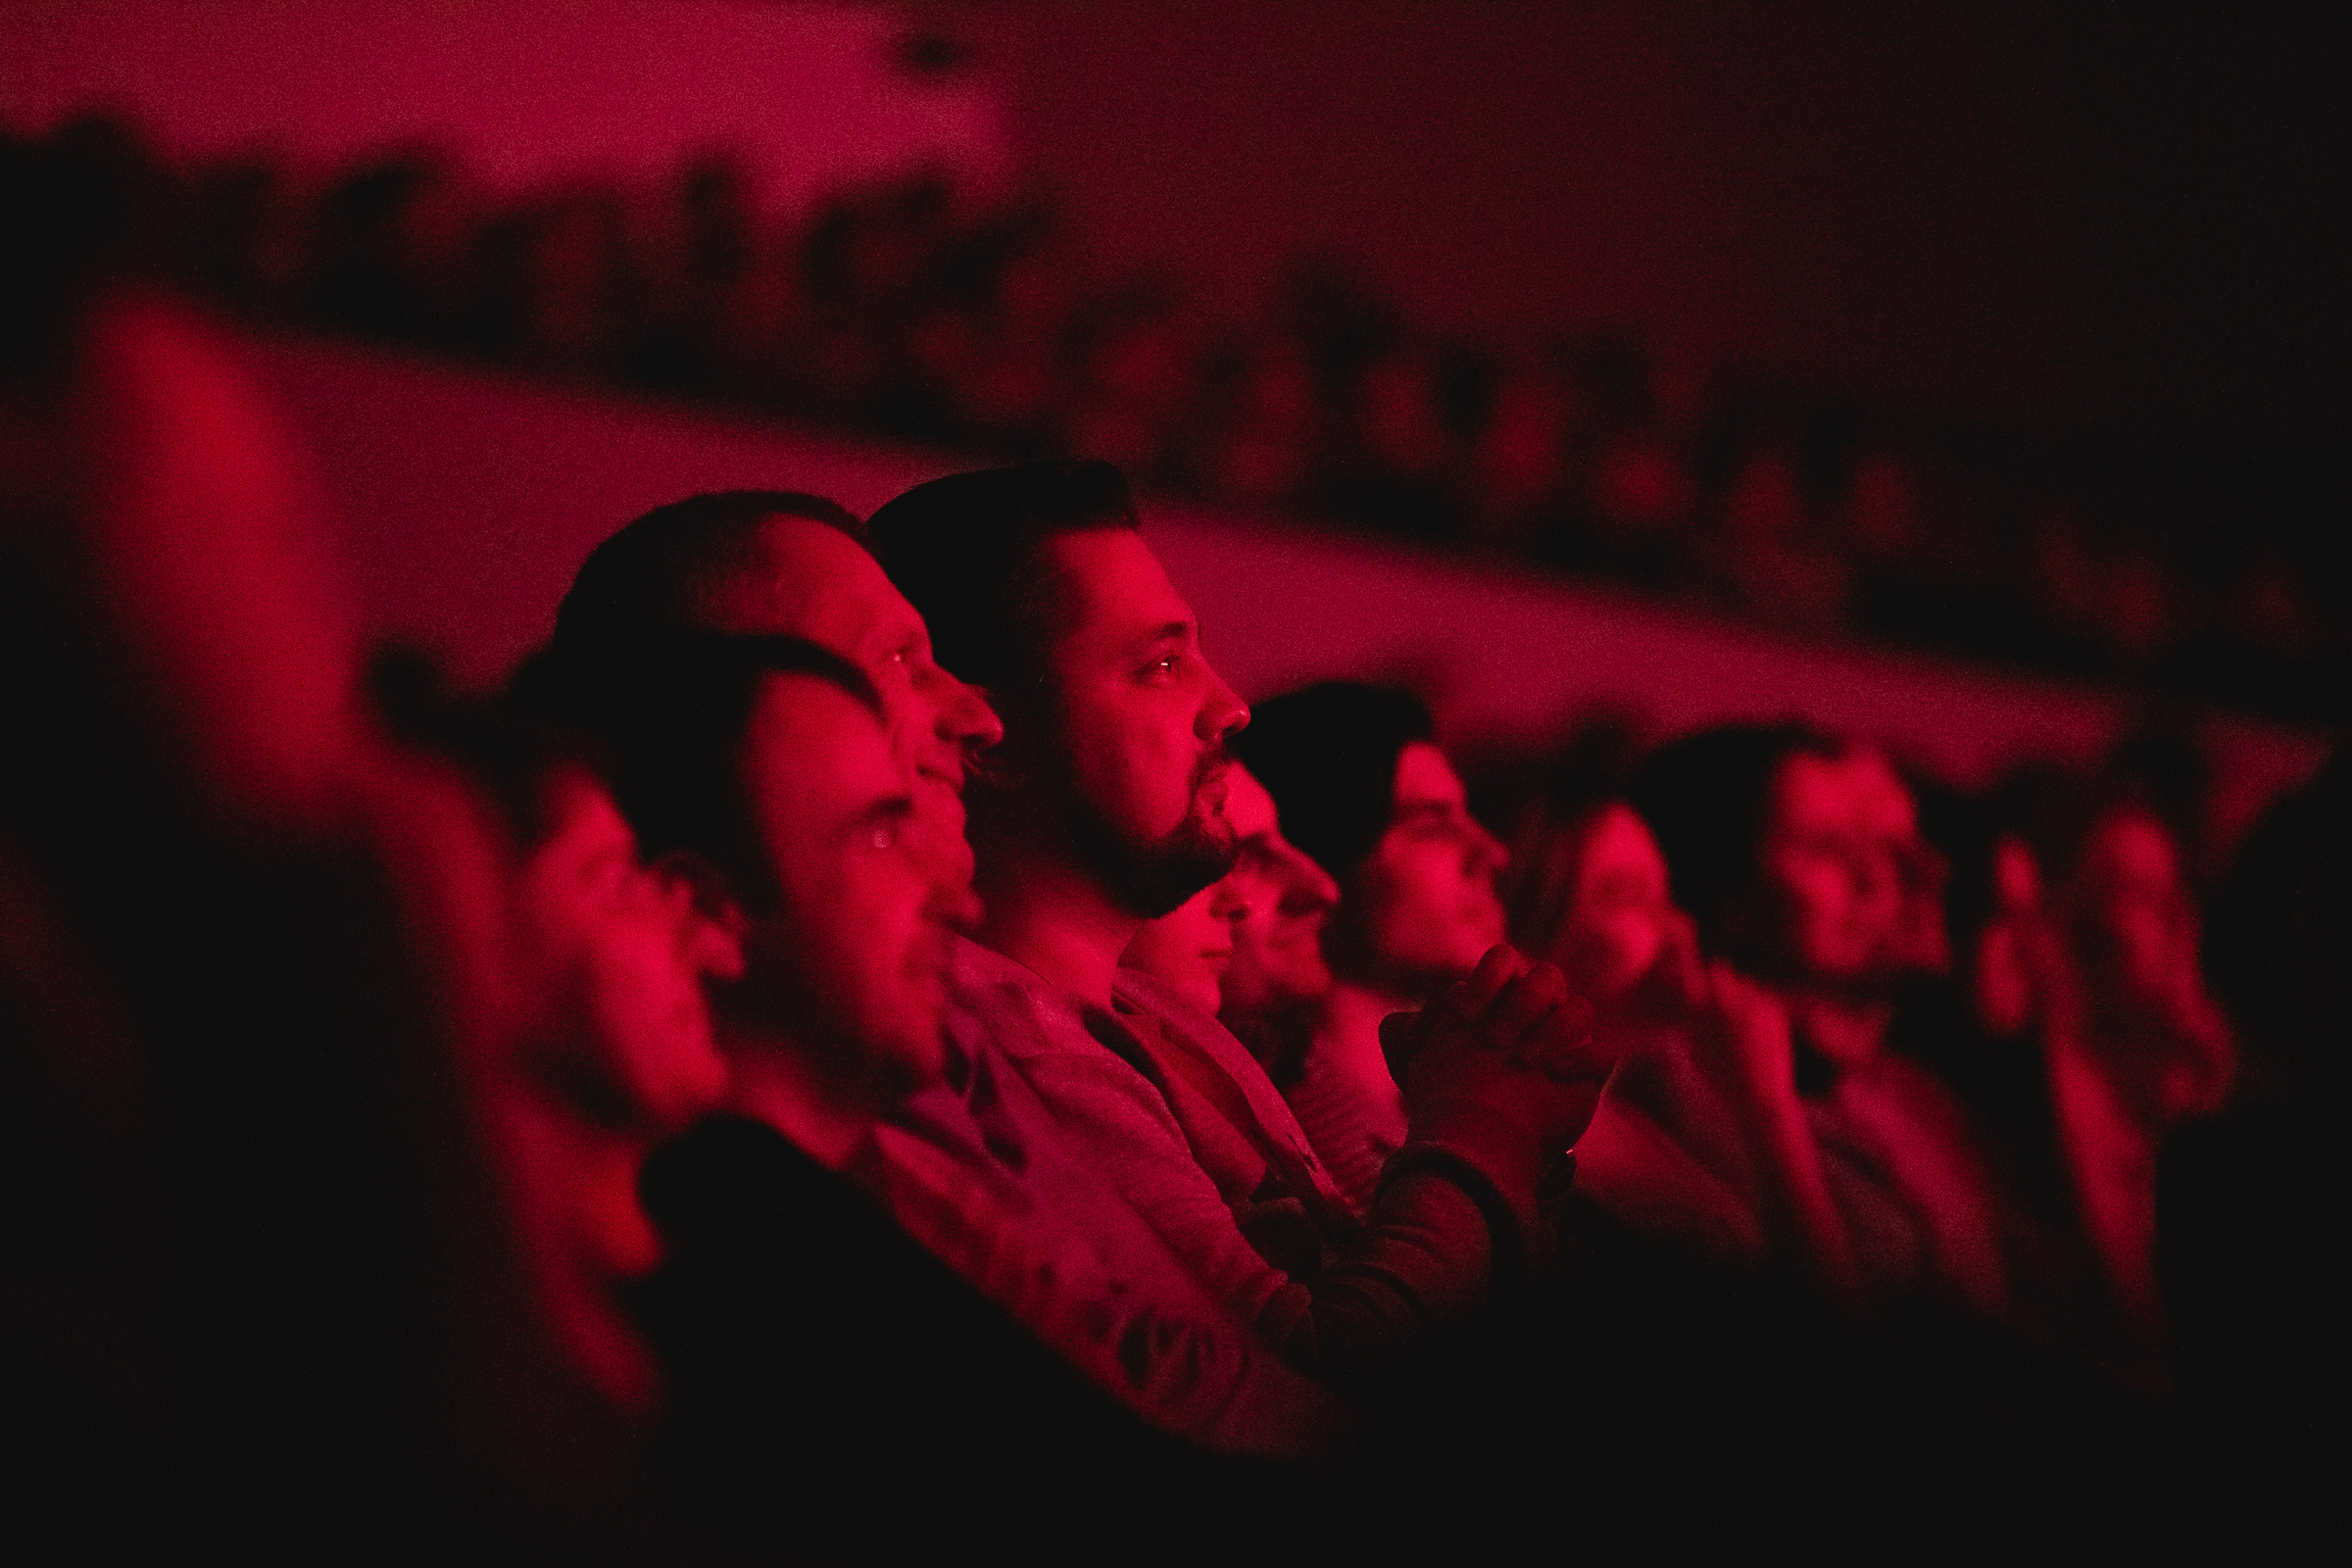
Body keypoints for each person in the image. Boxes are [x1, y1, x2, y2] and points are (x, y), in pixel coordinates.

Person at [544, 491, 1336, 1452]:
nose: (975, 716)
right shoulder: (764, 1197)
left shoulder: (941, 1061)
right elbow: (1158, 1416)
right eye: (900, 661)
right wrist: (1478, 1138)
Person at [866, 459, 1609, 1390]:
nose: (1229, 705)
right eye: (1162, 665)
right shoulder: (1010, 1043)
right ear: (992, 735)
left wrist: (1514, 1142)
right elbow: (1320, 1383)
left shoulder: (1156, 1013)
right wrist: (1479, 1126)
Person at [1633, 723, 2015, 1321]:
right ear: (1725, 889)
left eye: (1880, 851)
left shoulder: (1887, 1088)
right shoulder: (1688, 1077)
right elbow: (1827, 1341)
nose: (1876, 881)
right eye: (1825, 850)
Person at [1230, 682, 1511, 1210]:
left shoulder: (1427, 1106)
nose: (1491, 853)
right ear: (1319, 843)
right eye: (1433, 827)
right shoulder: (1274, 1123)